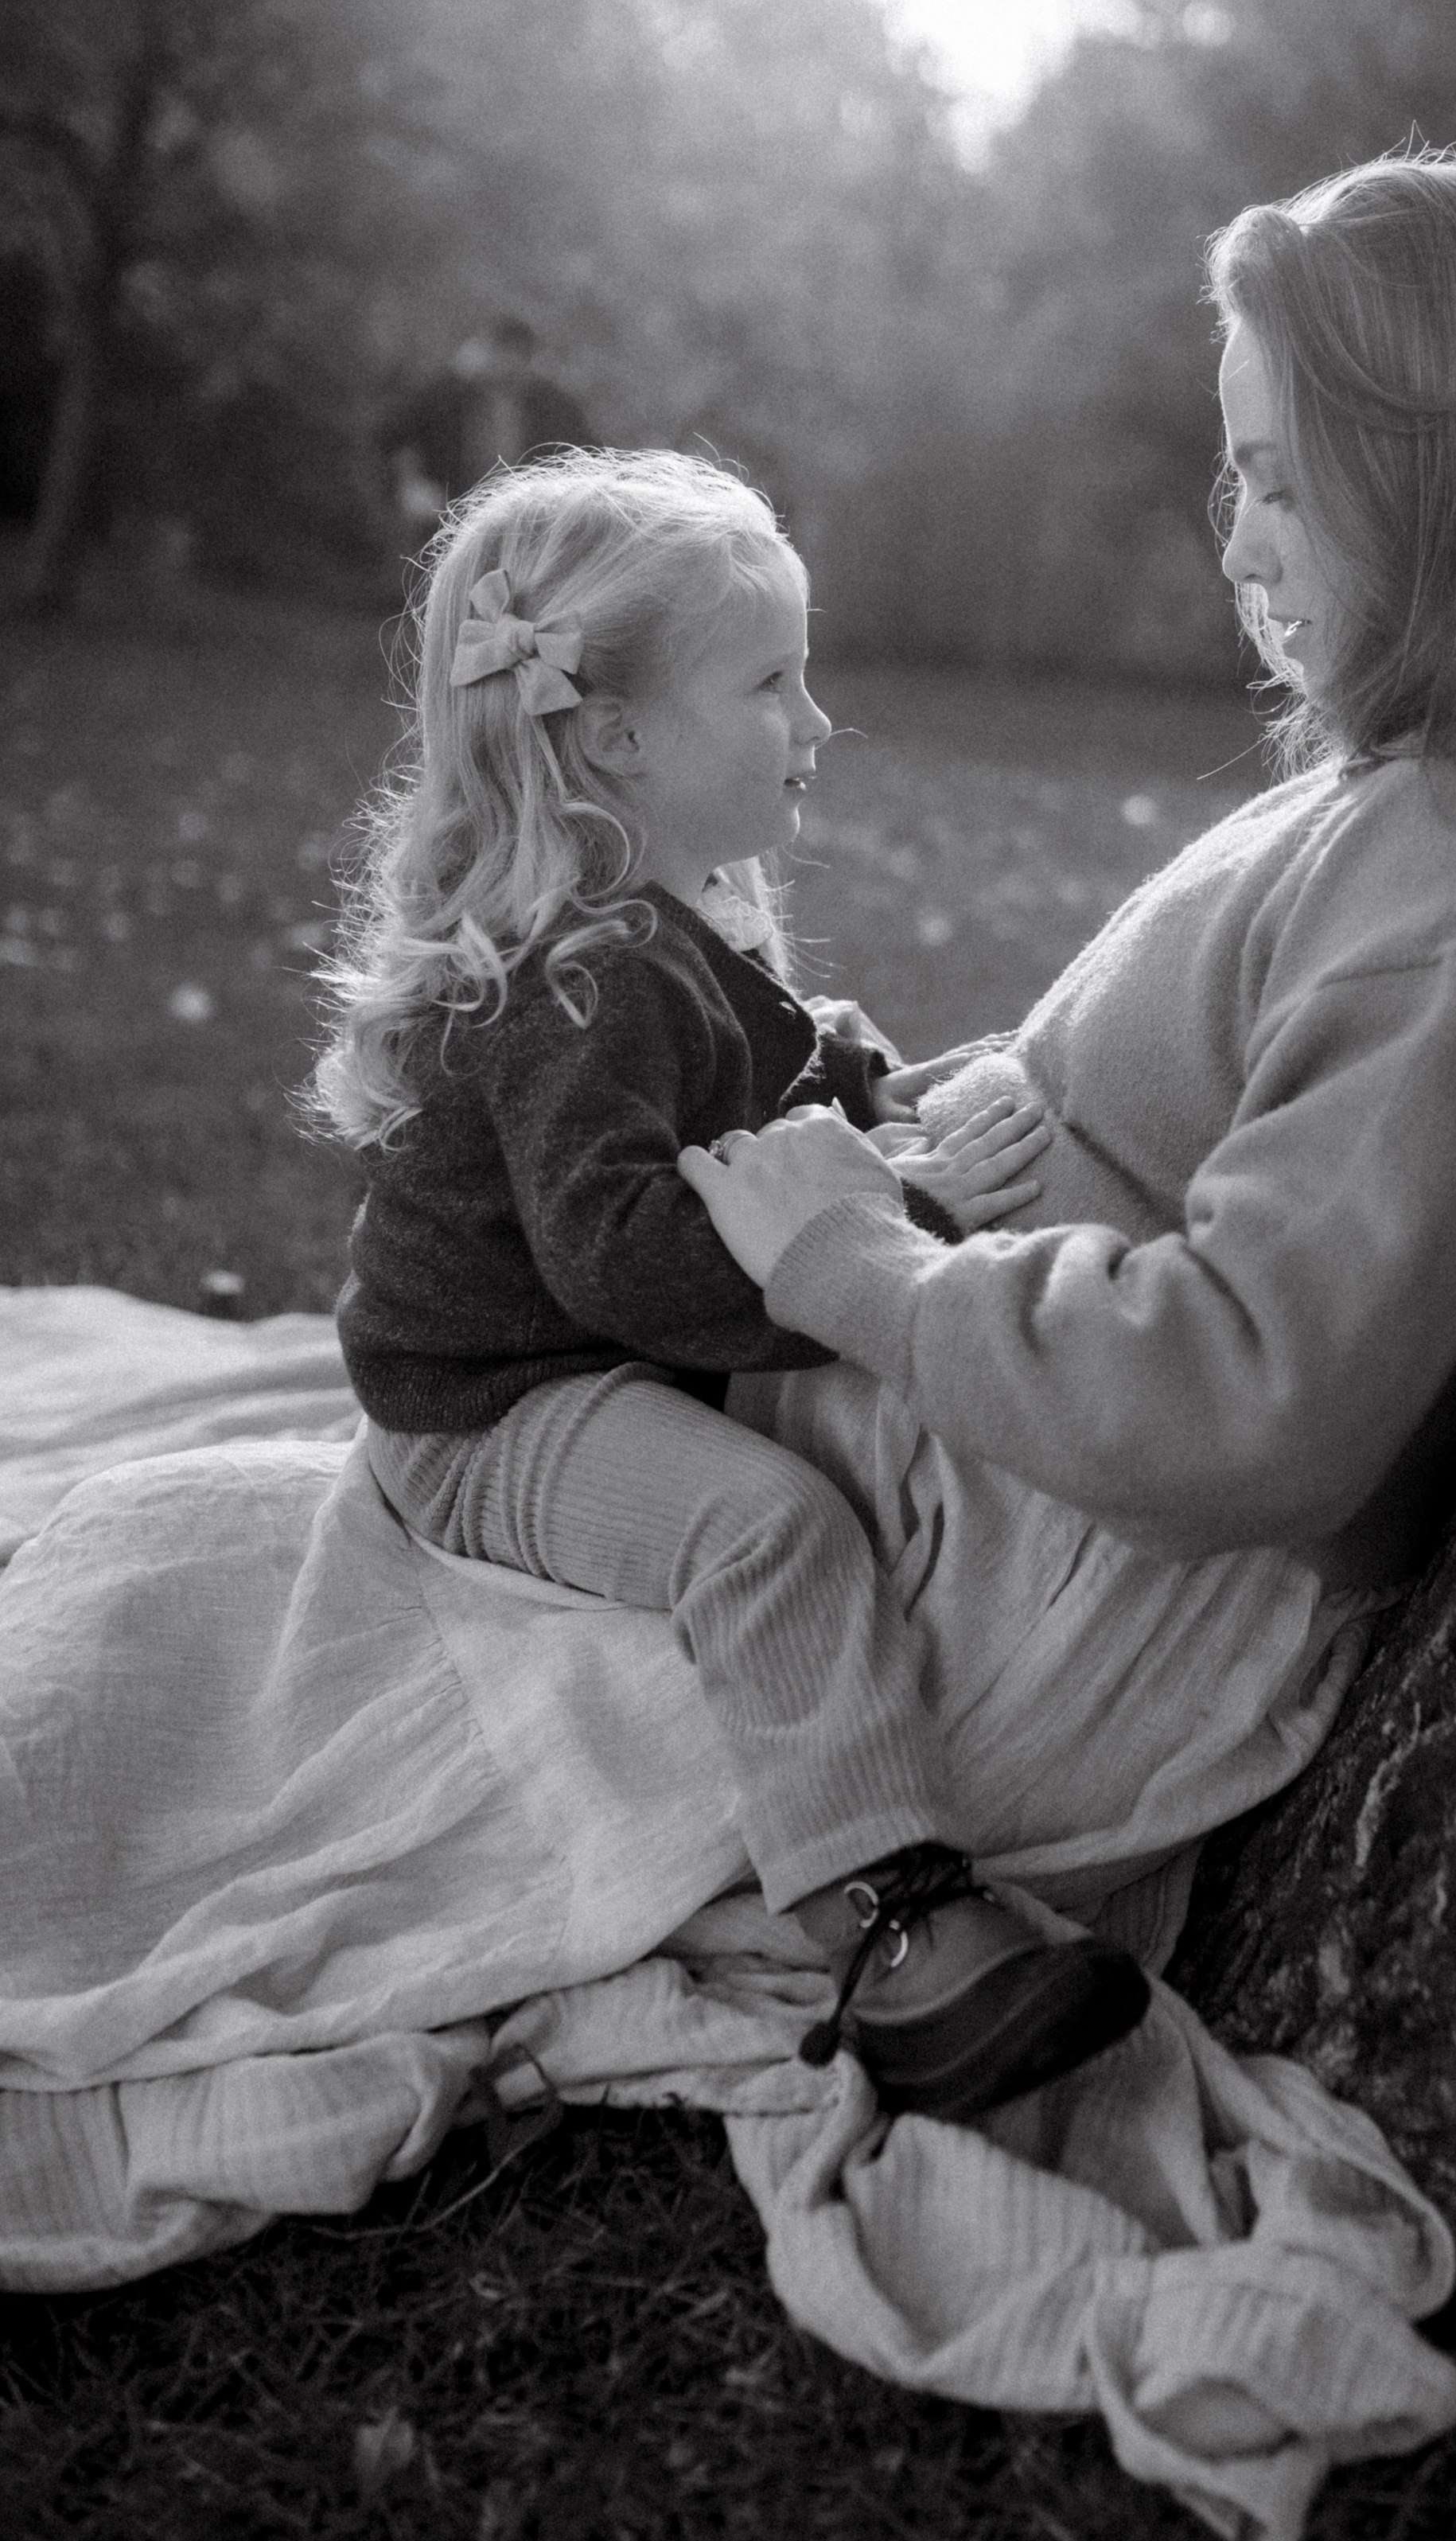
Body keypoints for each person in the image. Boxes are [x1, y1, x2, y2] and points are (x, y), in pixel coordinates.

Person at [682, 153, 1456, 1680]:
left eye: (1288, 482)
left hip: (1003, 1561)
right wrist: (922, 1118)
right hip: (949, 1448)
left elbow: (1248, 1401)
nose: (1238, 546)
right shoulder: (1424, 800)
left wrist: (853, 1261)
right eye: (1242, 482)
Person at [306, 449, 1151, 2121]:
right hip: (492, 1404)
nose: (817, 723)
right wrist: (884, 1218)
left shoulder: (668, 918)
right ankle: (893, 1926)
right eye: (771, 683)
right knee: (764, 1526)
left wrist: (887, 1104)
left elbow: (768, 1087)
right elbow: (620, 1254)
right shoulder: (587, 977)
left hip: (581, 1352)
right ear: (614, 737)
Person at [380, 316, 594, 556]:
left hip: (523, 528)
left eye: (518, 355)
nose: (508, 363)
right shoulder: (449, 395)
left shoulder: (550, 405)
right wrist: (410, 483)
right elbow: (393, 436)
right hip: (447, 522)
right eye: (501, 352)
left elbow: (586, 455)